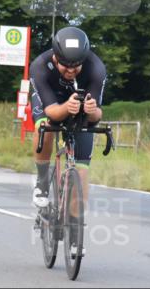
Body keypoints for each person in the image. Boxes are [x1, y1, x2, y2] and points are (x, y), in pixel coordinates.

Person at [29, 26, 106, 213]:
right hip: (51, 102)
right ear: (55, 58)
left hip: (80, 107)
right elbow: (52, 112)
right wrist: (66, 107)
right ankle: (42, 182)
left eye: (76, 66)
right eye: (66, 65)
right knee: (45, 128)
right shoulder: (40, 66)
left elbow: (96, 116)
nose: (71, 70)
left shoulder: (96, 68)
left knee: (81, 169)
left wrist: (91, 110)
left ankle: (74, 228)